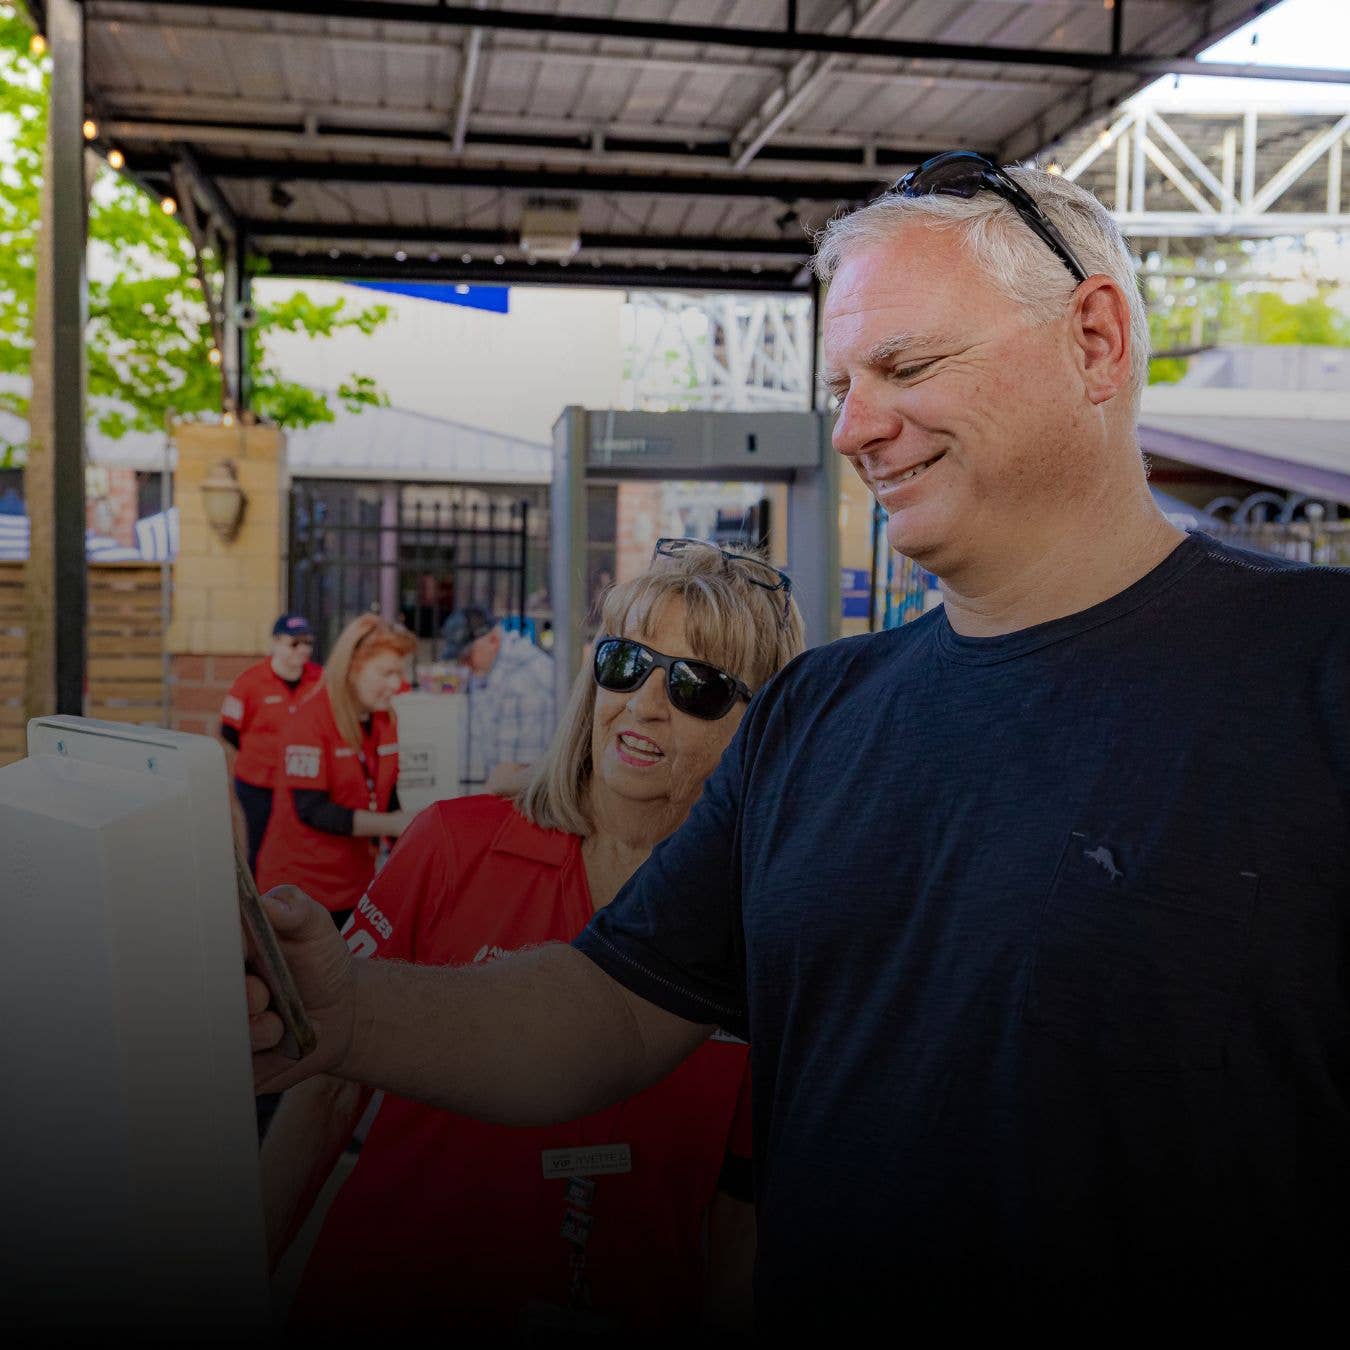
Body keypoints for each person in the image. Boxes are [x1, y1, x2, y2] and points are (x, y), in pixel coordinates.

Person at [250, 152, 1350, 1331]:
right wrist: (348, 1013)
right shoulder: (817, 715)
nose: (855, 429)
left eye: (906, 366)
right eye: (839, 386)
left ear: (1094, 340)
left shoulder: (1315, 676)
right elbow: (610, 1008)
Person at [261, 546, 803, 1335]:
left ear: (758, 726)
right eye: (626, 663)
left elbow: (739, 1210)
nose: (645, 705)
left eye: (696, 685)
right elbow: (326, 1087)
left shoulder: (761, 927)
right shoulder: (453, 845)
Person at [255, 614, 417, 927]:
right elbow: (313, 810)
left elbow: (386, 794)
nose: (397, 685)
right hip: (300, 893)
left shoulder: (385, 719)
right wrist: (393, 824)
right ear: (353, 667)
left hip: (355, 884)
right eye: (387, 673)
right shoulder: (310, 720)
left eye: (400, 673)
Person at [219, 613, 322, 872]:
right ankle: (260, 905)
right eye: (294, 643)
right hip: (259, 784)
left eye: (307, 643)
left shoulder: (320, 680)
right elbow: (229, 730)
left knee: (301, 849)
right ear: (276, 642)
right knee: (262, 847)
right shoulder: (250, 682)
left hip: (303, 783)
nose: (302, 650)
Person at [441, 605, 556, 793]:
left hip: (531, 801)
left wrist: (466, 815)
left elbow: (514, 770)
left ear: (493, 640)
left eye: (467, 656)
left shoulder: (522, 682)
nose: (463, 665)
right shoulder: (496, 668)